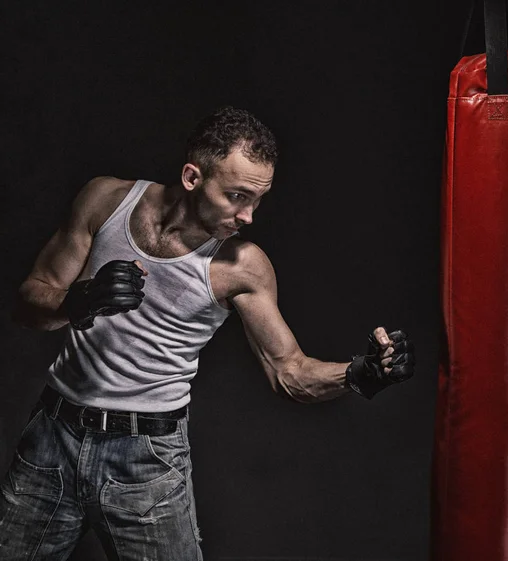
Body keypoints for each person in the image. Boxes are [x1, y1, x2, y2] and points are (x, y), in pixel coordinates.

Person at [1, 106, 415, 561]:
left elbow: (289, 372)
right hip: (52, 438)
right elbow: (29, 305)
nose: (249, 216)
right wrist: (78, 301)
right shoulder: (104, 201)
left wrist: (359, 373)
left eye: (258, 199)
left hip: (146, 460)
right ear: (192, 177)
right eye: (237, 196)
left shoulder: (242, 267)